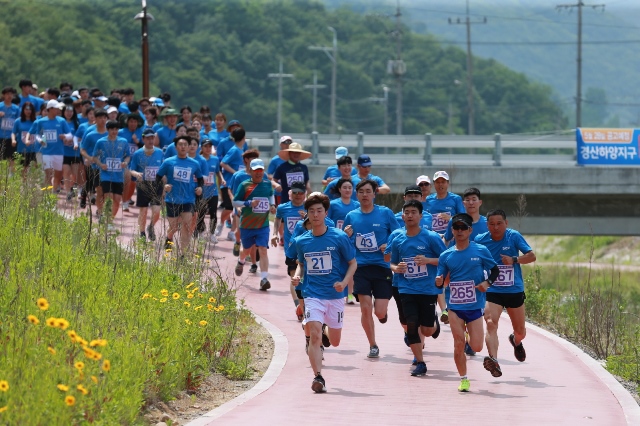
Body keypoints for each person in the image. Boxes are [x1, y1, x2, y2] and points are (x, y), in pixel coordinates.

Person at [292, 192, 357, 393]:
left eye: (319, 211)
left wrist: (344, 283)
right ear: (308, 214)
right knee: (314, 334)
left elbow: (353, 263)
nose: (315, 214)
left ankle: (325, 329)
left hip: (335, 296)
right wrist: (297, 275)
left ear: (325, 213)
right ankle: (318, 377)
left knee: (335, 341)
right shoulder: (302, 241)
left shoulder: (338, 237)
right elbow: (301, 264)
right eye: (311, 211)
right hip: (313, 294)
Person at [435, 213, 500, 392]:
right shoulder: (446, 255)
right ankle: (463, 379)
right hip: (455, 306)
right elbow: (439, 277)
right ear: (452, 230)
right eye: (456, 227)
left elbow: (495, 270)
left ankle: (470, 335)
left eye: (463, 227)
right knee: (458, 343)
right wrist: (439, 280)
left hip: (474, 305)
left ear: (470, 230)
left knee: (477, 347)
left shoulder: (480, 250)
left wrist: (487, 283)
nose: (459, 231)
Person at [386, 199, 446, 376]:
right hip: (406, 288)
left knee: (427, 329)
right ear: (402, 216)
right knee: (411, 325)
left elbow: (446, 258)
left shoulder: (431, 237)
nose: (410, 215)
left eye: (414, 212)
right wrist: (396, 268)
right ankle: (420, 362)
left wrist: (428, 261)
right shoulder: (398, 239)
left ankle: (433, 323)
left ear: (421, 215)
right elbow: (392, 262)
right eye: (407, 212)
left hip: (427, 289)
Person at [475, 209, 536, 377]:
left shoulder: (513, 236)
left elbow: (532, 256)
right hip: (492, 289)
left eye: (499, 223)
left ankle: (516, 341)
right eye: (492, 224)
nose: (496, 227)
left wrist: (514, 260)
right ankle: (493, 360)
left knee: (520, 331)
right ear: (487, 225)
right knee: (490, 322)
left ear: (506, 223)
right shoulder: (480, 240)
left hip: (513, 290)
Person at [343, 179, 400, 358]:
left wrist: (388, 245)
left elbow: (398, 235)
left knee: (379, 311)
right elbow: (344, 242)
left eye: (368, 191)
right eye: (361, 192)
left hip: (382, 266)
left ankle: (382, 315)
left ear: (374, 194)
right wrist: (346, 235)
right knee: (365, 307)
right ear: (357, 195)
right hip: (361, 267)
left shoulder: (385, 213)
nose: (365, 195)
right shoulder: (351, 216)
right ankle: (373, 344)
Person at [425, 170, 465, 325]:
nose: (440, 184)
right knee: (438, 275)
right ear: (434, 184)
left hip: (450, 242)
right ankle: (442, 309)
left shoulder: (455, 199)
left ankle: (451, 307)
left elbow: (463, 218)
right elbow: (425, 219)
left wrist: (451, 219)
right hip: (434, 242)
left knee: (451, 276)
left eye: (443, 182)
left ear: (447, 183)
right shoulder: (429, 200)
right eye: (438, 182)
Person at [155, 135, 204, 258]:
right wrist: (164, 186)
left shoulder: (194, 163)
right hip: (172, 199)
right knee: (174, 226)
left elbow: (200, 179)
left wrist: (200, 188)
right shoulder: (168, 162)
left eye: (185, 145)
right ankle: (169, 237)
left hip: (188, 200)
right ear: (176, 147)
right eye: (180, 145)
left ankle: (183, 254)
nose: (183, 147)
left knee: (187, 227)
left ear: (188, 147)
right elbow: (157, 178)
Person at [232, 158, 275, 291]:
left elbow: (271, 195)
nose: (258, 173)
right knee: (247, 250)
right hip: (247, 225)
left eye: (261, 170)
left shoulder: (267, 184)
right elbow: (235, 202)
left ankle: (264, 279)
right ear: (250, 171)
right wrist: (249, 203)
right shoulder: (245, 185)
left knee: (262, 249)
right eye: (256, 170)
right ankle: (241, 260)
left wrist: (272, 205)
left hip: (263, 225)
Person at [272, 181, 307, 310]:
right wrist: (275, 234)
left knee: (306, 278)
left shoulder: (310, 208)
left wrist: (307, 218)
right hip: (291, 250)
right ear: (290, 193)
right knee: (295, 277)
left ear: (305, 194)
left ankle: (305, 303)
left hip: (308, 249)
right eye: (295, 192)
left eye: (301, 193)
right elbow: (277, 219)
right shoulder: (282, 208)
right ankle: (298, 305)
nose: (298, 195)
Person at [28, 100, 73, 190]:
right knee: (48, 174)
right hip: (46, 152)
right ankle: (47, 196)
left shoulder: (61, 121)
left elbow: (70, 135)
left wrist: (65, 136)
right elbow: (37, 135)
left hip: (58, 152)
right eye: (56, 109)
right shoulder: (41, 122)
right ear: (50, 109)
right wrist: (40, 140)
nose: (58, 110)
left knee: (57, 175)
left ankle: (53, 192)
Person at [129, 128, 164, 241]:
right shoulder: (138, 153)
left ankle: (151, 226)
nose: (150, 140)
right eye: (148, 138)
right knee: (143, 211)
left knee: (157, 211)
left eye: (152, 138)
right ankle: (142, 232)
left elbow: (164, 169)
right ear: (143, 139)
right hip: (143, 185)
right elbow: (131, 169)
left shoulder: (159, 152)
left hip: (157, 185)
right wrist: (136, 174)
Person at [92, 120, 130, 224]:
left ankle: (110, 219)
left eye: (116, 129)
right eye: (112, 129)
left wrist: (125, 163)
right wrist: (101, 165)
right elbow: (94, 157)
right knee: (108, 198)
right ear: (108, 130)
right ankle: (107, 220)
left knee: (117, 200)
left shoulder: (123, 141)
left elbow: (128, 156)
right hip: (106, 175)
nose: (114, 131)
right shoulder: (101, 142)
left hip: (119, 175)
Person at [218, 127, 247, 243]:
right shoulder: (234, 150)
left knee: (238, 209)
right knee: (229, 208)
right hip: (229, 183)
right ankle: (220, 224)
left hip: (239, 185)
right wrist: (235, 173)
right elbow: (223, 163)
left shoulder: (242, 151)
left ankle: (232, 232)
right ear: (243, 137)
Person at [80, 108, 108, 210]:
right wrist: (87, 158)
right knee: (93, 184)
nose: (103, 120)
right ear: (95, 119)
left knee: (105, 190)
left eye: (105, 118)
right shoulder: (90, 132)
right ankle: (84, 196)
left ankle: (101, 209)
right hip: (93, 164)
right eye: (100, 118)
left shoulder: (110, 133)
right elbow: (82, 149)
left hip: (107, 166)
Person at [197, 138, 225, 243]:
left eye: (210, 147)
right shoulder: (198, 160)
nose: (208, 149)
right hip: (202, 191)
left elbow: (218, 172)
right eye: (206, 146)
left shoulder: (215, 159)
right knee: (201, 213)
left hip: (213, 191)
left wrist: (222, 179)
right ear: (201, 148)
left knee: (213, 213)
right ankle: (200, 232)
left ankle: (212, 233)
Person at [61, 104, 81, 201]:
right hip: (63, 152)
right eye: (67, 111)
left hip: (75, 152)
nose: (69, 113)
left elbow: (81, 136)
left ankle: (74, 189)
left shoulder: (77, 123)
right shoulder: (60, 122)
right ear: (63, 112)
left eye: (71, 111)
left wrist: (74, 140)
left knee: (75, 174)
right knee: (66, 172)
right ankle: (68, 192)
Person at [11, 102, 38, 173]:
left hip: (34, 150)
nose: (28, 111)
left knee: (35, 170)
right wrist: (13, 140)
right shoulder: (18, 121)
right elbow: (13, 132)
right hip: (22, 150)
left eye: (30, 109)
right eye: (26, 109)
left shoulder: (36, 121)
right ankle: (24, 184)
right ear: (23, 110)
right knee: (23, 171)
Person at [1, 86, 20, 166]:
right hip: (1, 136)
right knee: (1, 157)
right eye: (7, 94)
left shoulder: (16, 108)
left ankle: (12, 176)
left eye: (11, 94)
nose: (9, 96)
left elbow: (18, 122)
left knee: (12, 158)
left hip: (12, 137)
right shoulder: (0, 106)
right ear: (3, 95)